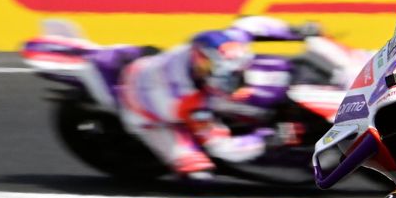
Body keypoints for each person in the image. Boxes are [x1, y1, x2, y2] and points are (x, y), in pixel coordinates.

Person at [118, 16, 317, 180]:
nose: (231, 80)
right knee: (197, 169)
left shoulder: (218, 47)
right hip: (143, 114)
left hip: (146, 68)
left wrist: (293, 31)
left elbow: (249, 24)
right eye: (227, 76)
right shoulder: (190, 103)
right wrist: (268, 140)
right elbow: (222, 147)